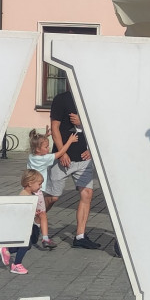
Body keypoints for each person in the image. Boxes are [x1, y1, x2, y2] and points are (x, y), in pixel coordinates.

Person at [47, 88, 102, 250]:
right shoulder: (62, 99)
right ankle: (35, 223)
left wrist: (92, 149)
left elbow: (99, 127)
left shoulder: (91, 99)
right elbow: (55, 127)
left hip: (84, 158)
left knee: (87, 194)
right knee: (53, 197)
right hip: (64, 158)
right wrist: (61, 152)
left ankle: (80, 236)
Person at [25, 129, 72, 249]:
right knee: (43, 215)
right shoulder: (44, 159)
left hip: (28, 190)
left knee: (30, 214)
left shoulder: (31, 156)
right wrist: (70, 141)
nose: (48, 148)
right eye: (46, 147)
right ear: (38, 149)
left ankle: (28, 233)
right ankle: (45, 239)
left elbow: (36, 144)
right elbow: (60, 153)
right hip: (37, 192)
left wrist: (45, 136)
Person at [0, 169, 50, 275]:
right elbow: (21, 211)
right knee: (25, 244)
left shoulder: (30, 194)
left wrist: (34, 212)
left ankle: (7, 249)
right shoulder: (25, 196)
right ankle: (16, 264)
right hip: (22, 226)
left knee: (28, 245)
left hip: (25, 225)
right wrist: (33, 212)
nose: (40, 186)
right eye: (39, 184)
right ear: (30, 183)